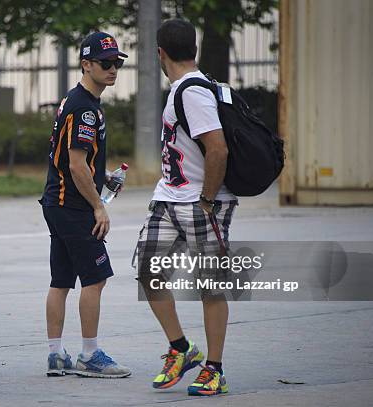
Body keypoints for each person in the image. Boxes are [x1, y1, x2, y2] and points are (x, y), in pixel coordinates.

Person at [137, 19, 238, 396]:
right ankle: (181, 349)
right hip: (169, 199)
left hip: (201, 203)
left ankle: (215, 369)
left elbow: (218, 148)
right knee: (149, 274)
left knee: (210, 287)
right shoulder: (183, 89)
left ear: (160, 53)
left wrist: (208, 201)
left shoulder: (193, 92)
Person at [39, 32, 131, 378]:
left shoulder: (74, 101)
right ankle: (89, 355)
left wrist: (103, 176)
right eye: (105, 63)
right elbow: (76, 165)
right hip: (73, 206)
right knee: (96, 279)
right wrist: (98, 205)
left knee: (61, 280)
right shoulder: (85, 109)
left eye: (117, 63)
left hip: (57, 201)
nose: (113, 70)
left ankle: (55, 355)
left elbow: (73, 159)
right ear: (86, 64)